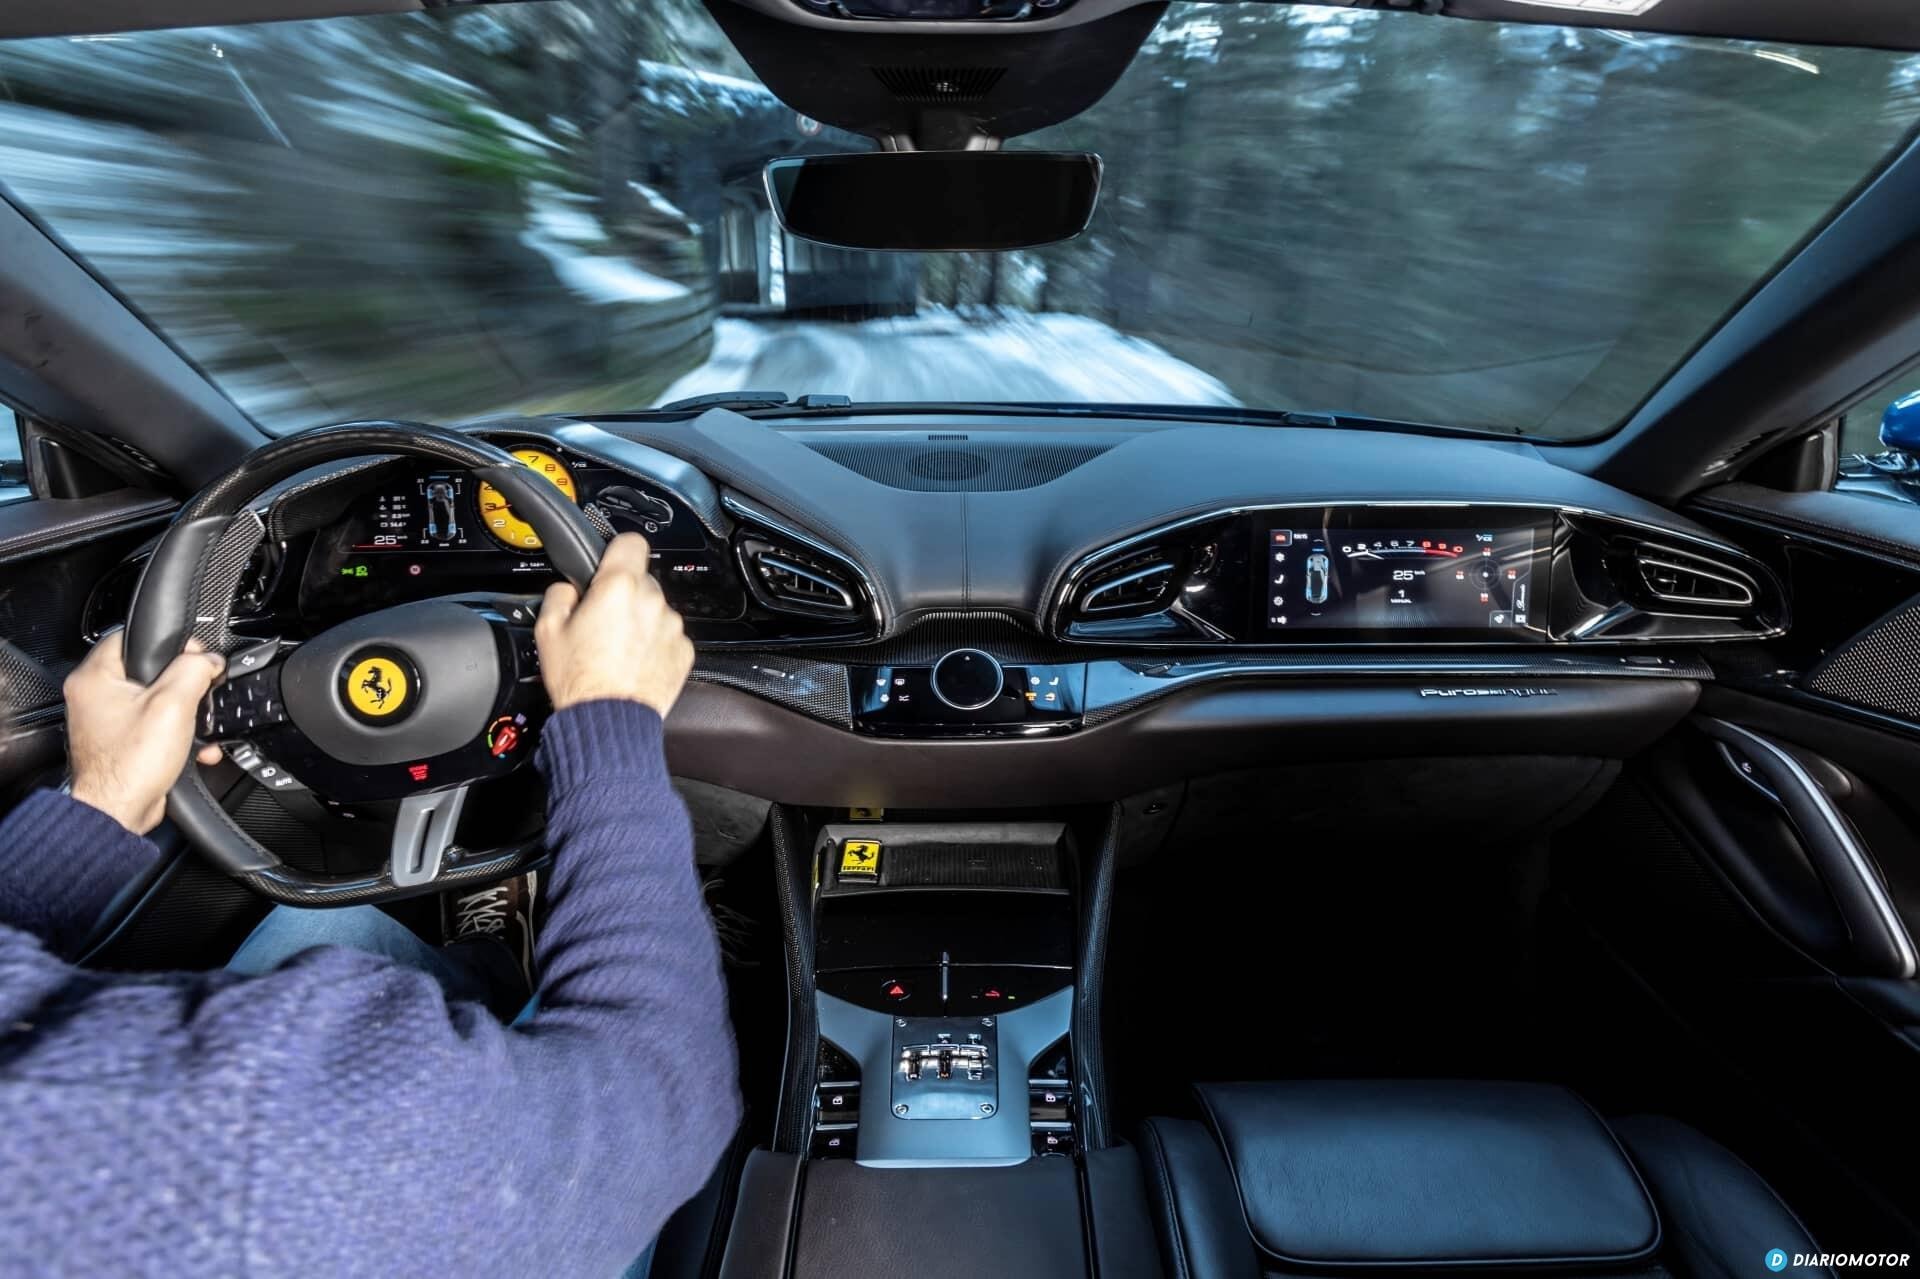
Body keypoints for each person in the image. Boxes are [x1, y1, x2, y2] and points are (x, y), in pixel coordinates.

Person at [0, 533, 741, 1278]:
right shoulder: (239, 1156)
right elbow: (663, 1093)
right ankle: (528, 992)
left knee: (323, 929)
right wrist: (612, 714)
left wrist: (104, 798)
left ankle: (498, 972)